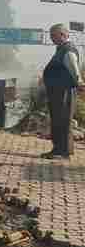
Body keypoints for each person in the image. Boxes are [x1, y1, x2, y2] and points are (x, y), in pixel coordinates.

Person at [42, 24, 82, 159]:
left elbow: (74, 70)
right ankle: (58, 149)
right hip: (58, 92)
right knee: (58, 120)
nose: (51, 38)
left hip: (64, 92)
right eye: (51, 35)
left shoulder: (68, 50)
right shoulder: (61, 49)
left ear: (63, 35)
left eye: (54, 35)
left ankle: (63, 152)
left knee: (63, 120)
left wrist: (80, 83)